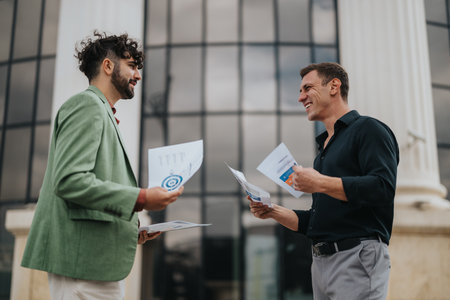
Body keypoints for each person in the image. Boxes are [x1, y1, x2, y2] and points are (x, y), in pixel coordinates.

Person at [21, 32, 183, 299]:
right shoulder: (88, 105)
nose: (138, 75)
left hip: (90, 266)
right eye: (131, 66)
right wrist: (142, 198)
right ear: (108, 66)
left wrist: (130, 230)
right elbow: (70, 181)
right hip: (82, 268)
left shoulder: (100, 110)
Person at [249, 62, 399, 300]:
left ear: (334, 86)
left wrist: (319, 183)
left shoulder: (369, 129)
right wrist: (272, 211)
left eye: (307, 88)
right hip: (320, 264)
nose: (301, 98)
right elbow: (318, 222)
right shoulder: (323, 152)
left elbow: (382, 188)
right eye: (300, 91)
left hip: (357, 256)